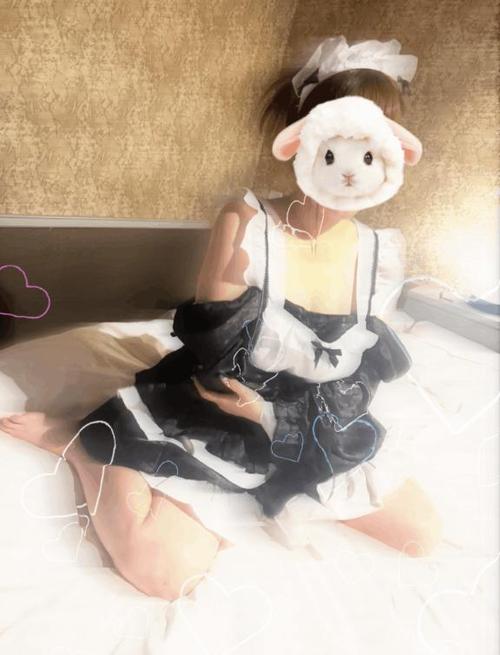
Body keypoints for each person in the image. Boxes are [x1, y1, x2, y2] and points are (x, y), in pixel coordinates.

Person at [0, 36, 442, 601]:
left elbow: (358, 368)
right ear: (304, 140)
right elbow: (218, 357)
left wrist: (294, 424)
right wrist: (262, 412)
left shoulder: (379, 250)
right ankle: (86, 443)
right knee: (167, 571)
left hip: (312, 423)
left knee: (420, 534)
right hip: (221, 414)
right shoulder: (248, 222)